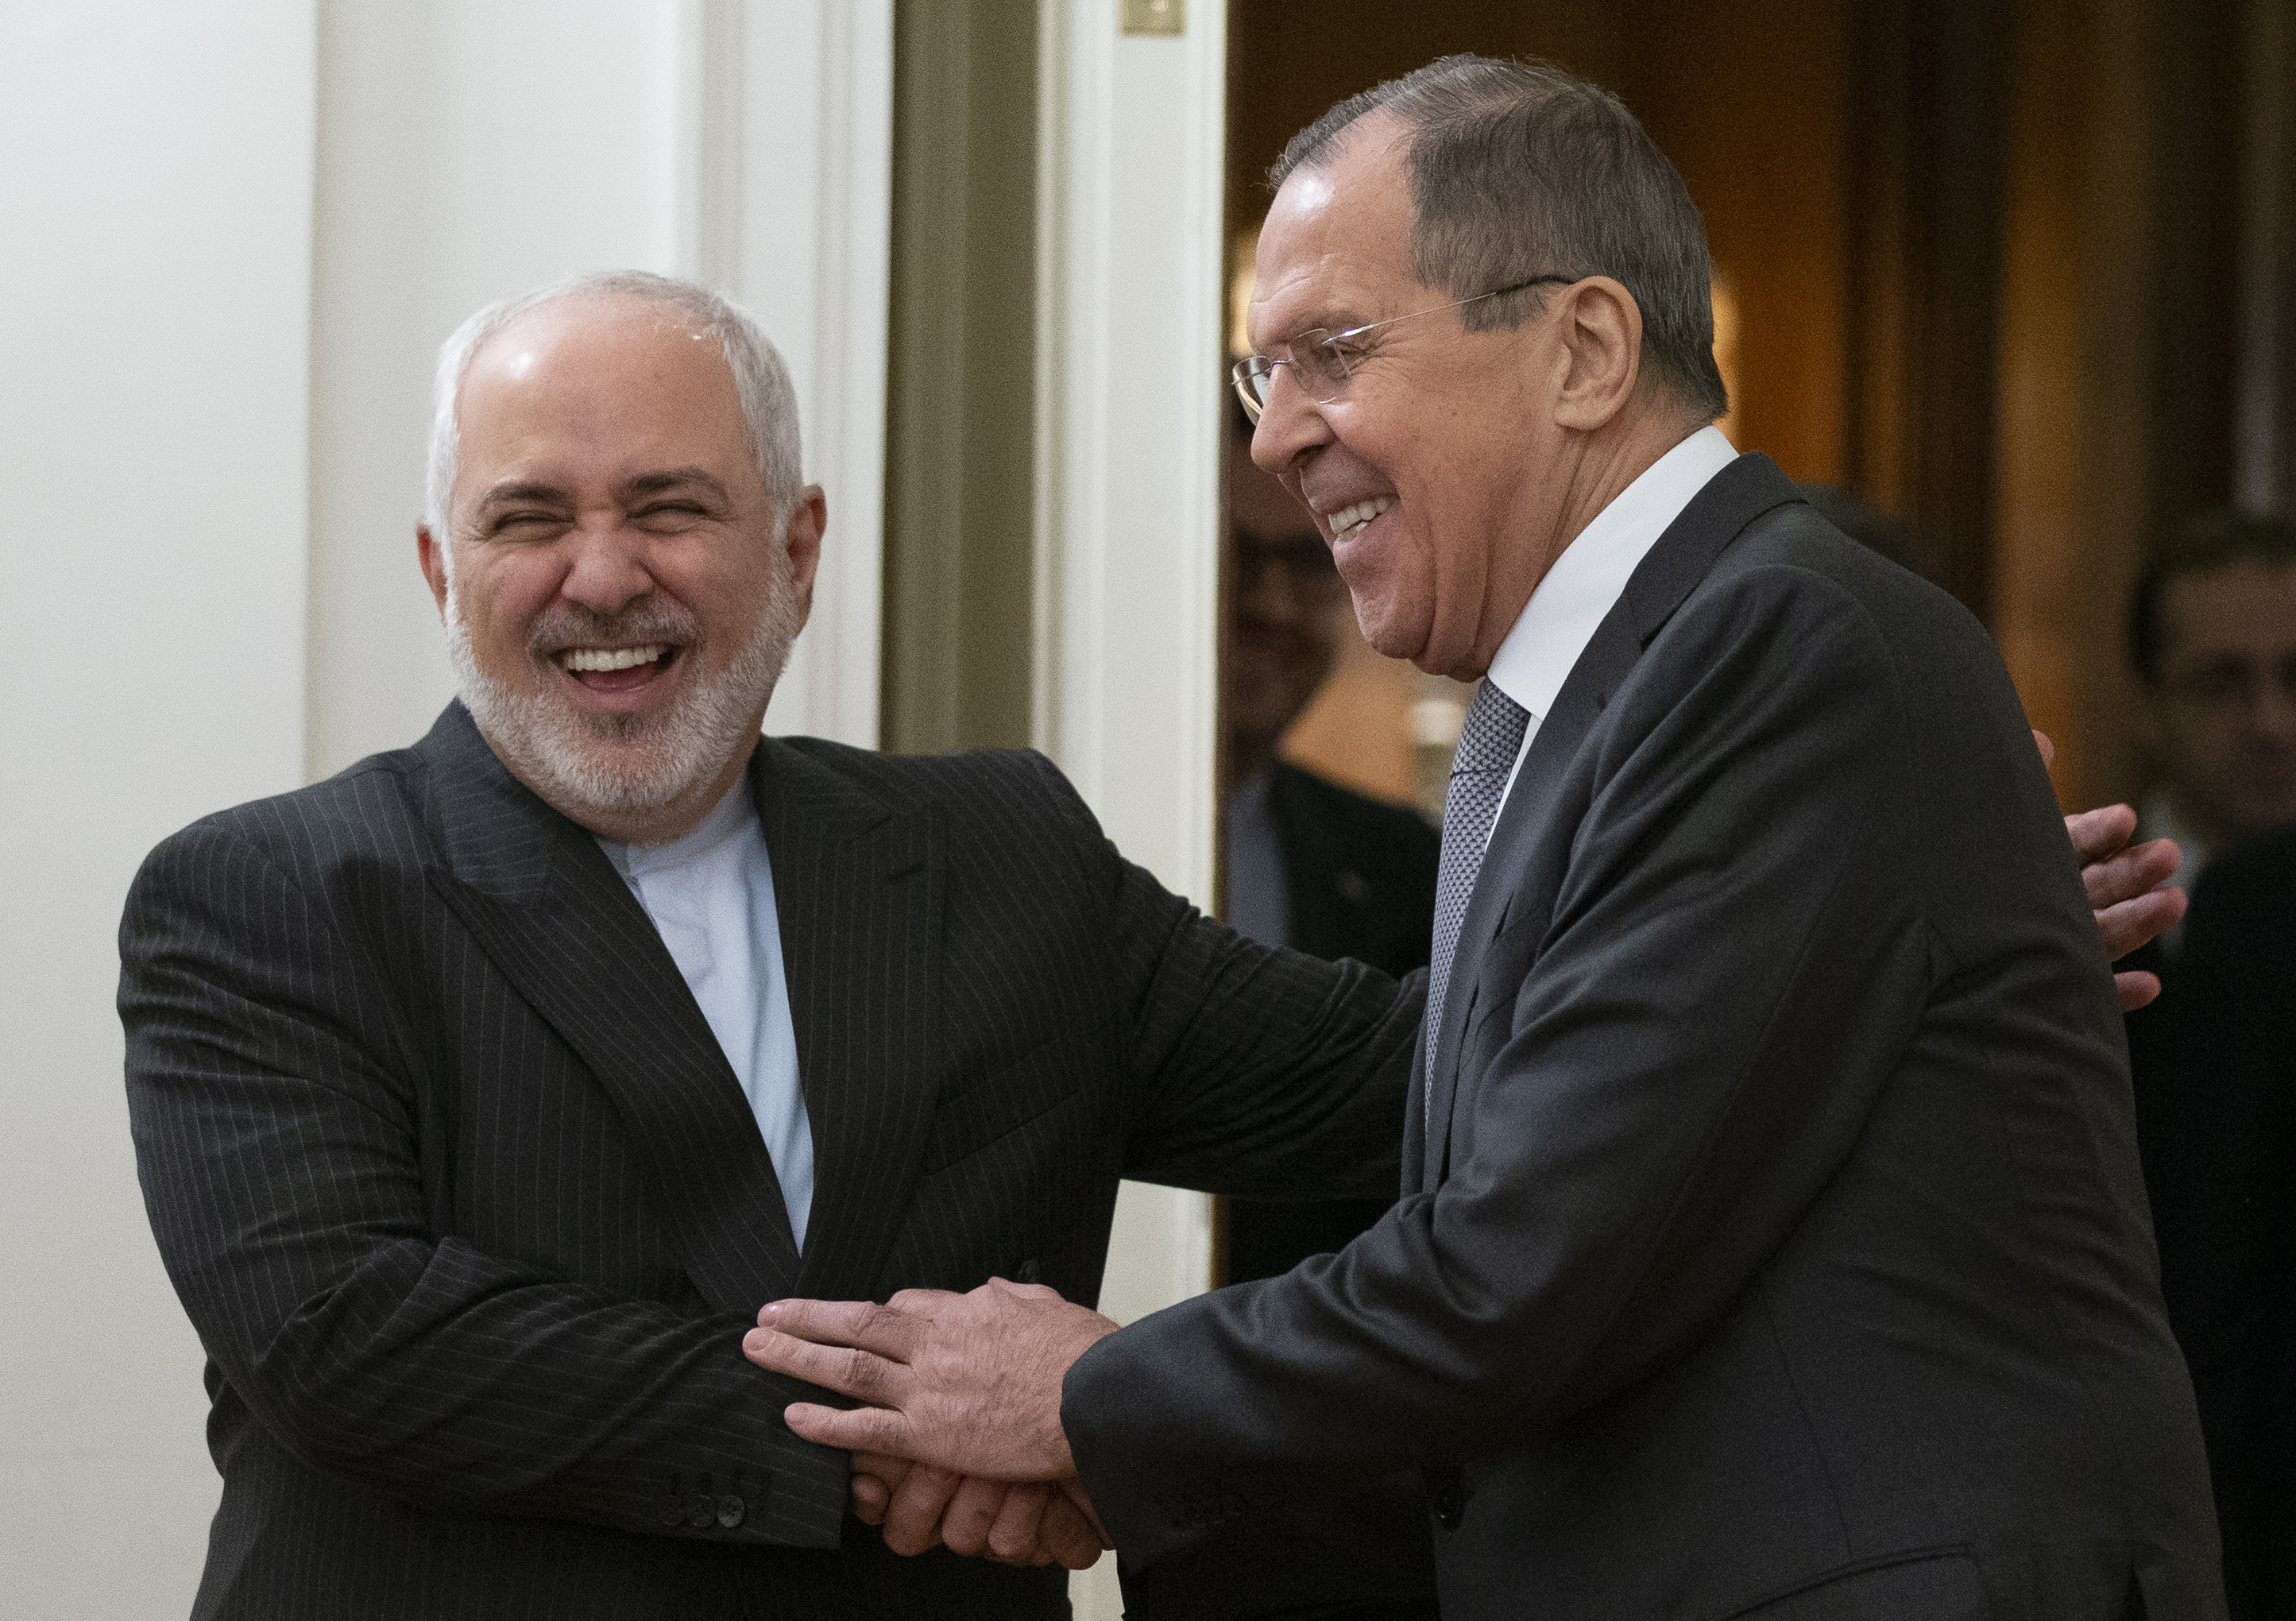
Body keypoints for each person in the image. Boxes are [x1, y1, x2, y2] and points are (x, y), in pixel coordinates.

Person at [741, 56, 2225, 1620]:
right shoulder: (1588, 710)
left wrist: (1087, 1400)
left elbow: (1527, 1267)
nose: (1271, 440)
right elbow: (1567, 1188)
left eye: (1330, 350)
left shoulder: (1772, 643)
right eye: (1264, 378)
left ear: (1581, 347)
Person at [117, 270, 1427, 1619]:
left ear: (797, 553)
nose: (605, 574)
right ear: (442, 571)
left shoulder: (1007, 857)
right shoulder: (263, 898)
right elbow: (351, 1343)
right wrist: (1008, 1421)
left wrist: (1606, 740)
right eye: (530, 519)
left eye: (669, 508)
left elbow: (1408, 1086)